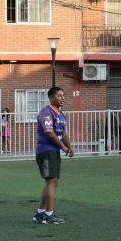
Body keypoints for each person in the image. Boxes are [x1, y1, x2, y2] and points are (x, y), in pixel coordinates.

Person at [33, 86, 73, 225]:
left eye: (63, 95)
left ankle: (40, 213)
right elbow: (49, 132)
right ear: (51, 98)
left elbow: (64, 133)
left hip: (53, 151)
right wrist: (62, 146)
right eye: (59, 95)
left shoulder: (61, 114)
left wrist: (69, 146)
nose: (63, 98)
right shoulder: (46, 112)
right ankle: (49, 215)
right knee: (51, 181)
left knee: (52, 181)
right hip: (46, 151)